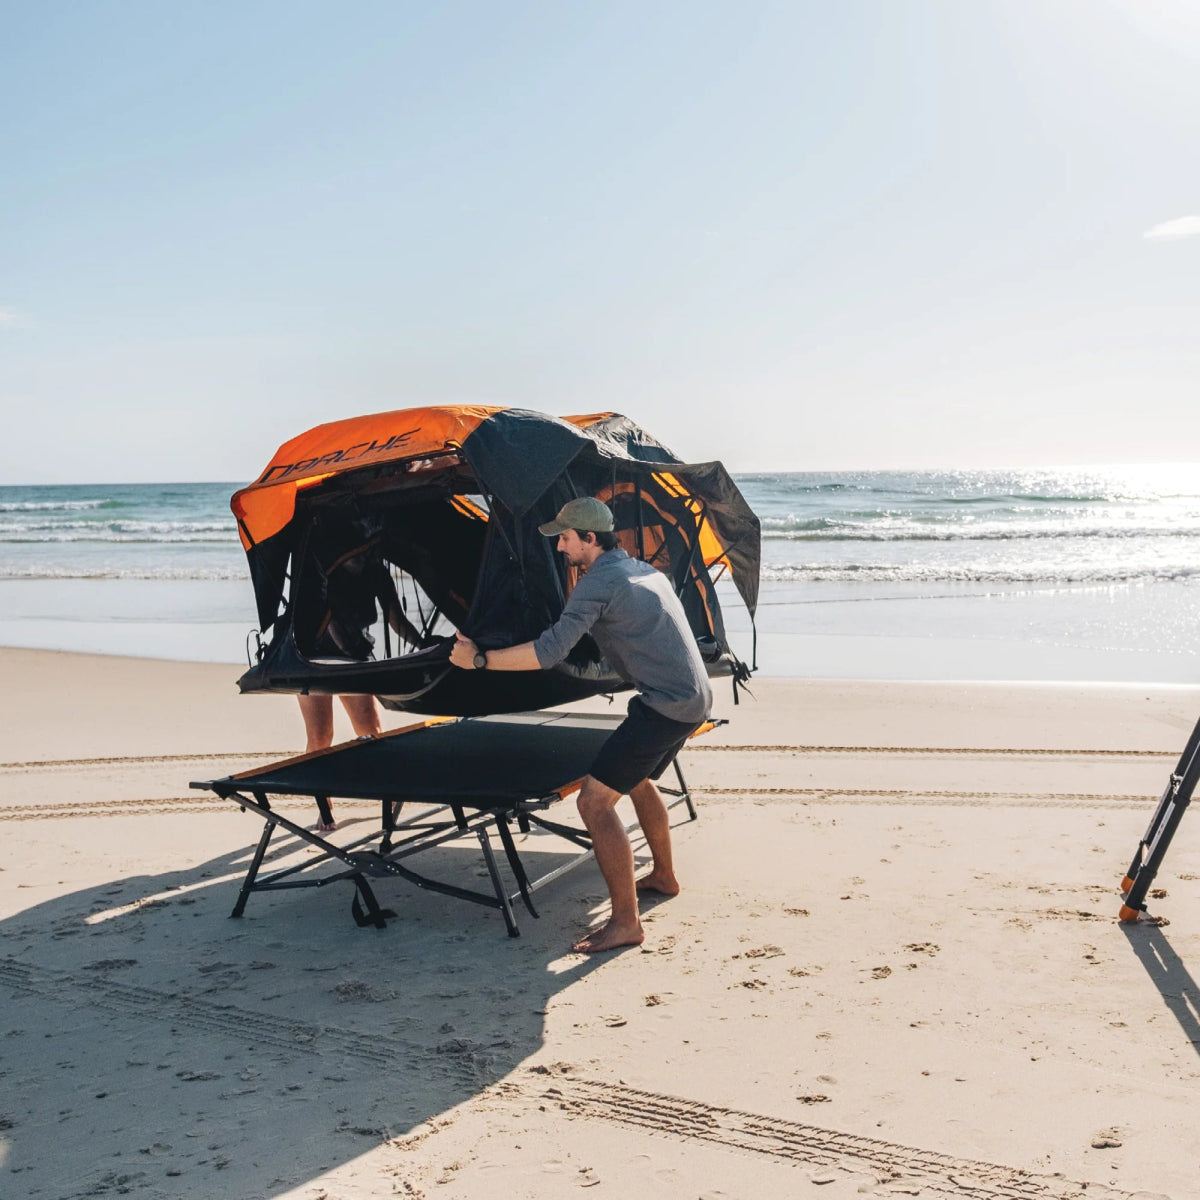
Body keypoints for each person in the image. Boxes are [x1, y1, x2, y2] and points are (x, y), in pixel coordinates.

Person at [449, 496, 712, 953]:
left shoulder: (597, 583)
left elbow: (549, 651)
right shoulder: (641, 569)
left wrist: (479, 660)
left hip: (666, 705)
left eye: (565, 539)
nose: (559, 548)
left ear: (590, 538)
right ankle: (664, 876)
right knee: (638, 780)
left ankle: (626, 923)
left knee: (594, 804)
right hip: (694, 697)